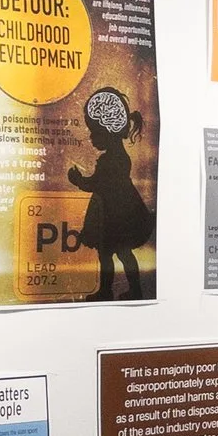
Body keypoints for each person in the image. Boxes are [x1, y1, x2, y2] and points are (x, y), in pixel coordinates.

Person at [69, 86, 152, 300]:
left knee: (107, 255)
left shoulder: (109, 160)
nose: (91, 137)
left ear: (108, 130)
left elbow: (97, 184)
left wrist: (78, 180)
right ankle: (133, 290)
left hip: (113, 217)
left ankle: (109, 291)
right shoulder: (121, 157)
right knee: (122, 253)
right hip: (122, 214)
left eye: (95, 131)